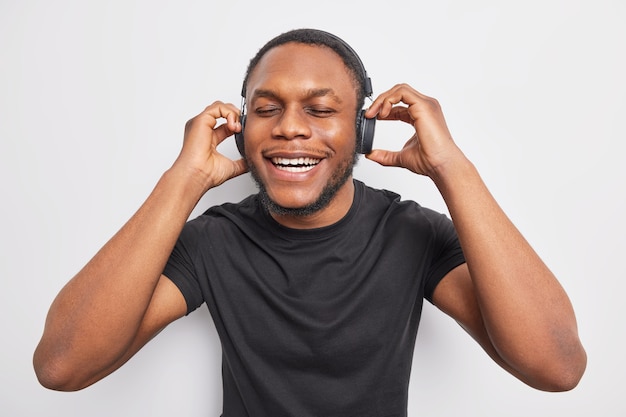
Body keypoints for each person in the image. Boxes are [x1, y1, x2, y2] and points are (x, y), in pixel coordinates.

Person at [33, 28, 586, 416]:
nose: (289, 128)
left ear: (364, 130)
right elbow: (62, 366)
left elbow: (556, 367)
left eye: (320, 110)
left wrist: (451, 167)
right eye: (267, 109)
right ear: (242, 128)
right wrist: (184, 180)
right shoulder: (213, 241)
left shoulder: (412, 233)